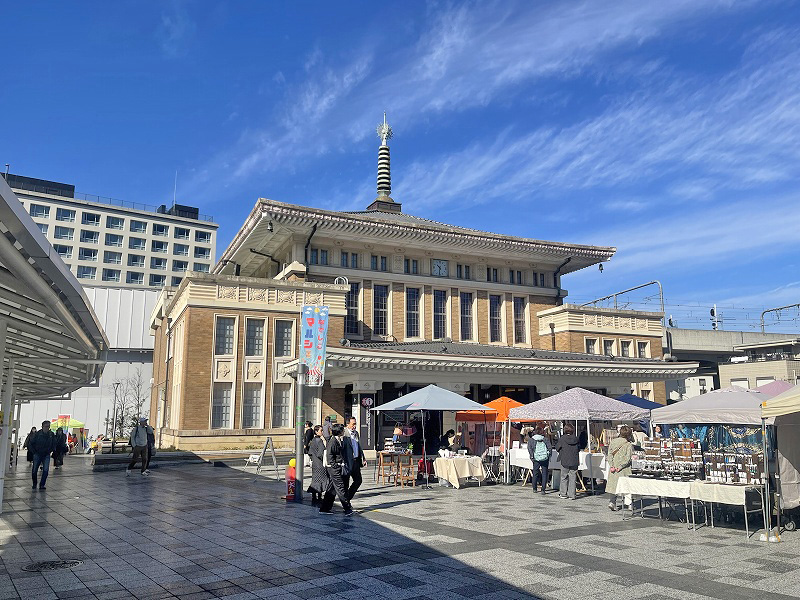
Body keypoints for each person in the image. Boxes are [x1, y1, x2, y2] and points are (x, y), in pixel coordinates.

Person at [319, 423, 353, 515]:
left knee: (332, 489)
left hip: (337, 467)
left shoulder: (338, 440)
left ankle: (324, 508)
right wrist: (335, 466)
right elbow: (329, 456)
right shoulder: (333, 441)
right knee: (340, 488)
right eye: (342, 430)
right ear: (339, 431)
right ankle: (347, 508)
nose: (343, 431)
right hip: (334, 469)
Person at [607, 426, 634, 511]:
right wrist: (620, 467)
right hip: (624, 469)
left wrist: (612, 465)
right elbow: (628, 458)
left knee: (613, 486)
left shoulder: (613, 441)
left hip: (614, 467)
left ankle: (612, 502)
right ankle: (629, 504)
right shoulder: (628, 444)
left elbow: (609, 455)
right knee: (627, 486)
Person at [343, 416, 367, 501]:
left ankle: (348, 497)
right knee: (345, 483)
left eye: (355, 424)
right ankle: (345, 502)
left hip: (356, 461)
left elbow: (358, 446)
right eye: (353, 424)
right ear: (347, 424)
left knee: (358, 480)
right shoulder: (344, 433)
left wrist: (363, 458)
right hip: (347, 461)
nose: (354, 426)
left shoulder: (356, 433)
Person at [555, 423, 580, 500]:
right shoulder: (576, 439)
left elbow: (557, 448)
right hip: (574, 460)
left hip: (565, 459)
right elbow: (579, 448)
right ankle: (572, 495)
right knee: (573, 477)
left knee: (564, 477)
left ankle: (563, 493)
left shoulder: (562, 438)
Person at [29, 420, 55, 490]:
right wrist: (34, 452)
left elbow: (54, 443)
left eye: (48, 426)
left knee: (46, 470)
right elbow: (30, 443)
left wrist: (51, 450)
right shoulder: (37, 434)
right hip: (37, 454)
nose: (47, 428)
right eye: (46, 426)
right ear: (42, 426)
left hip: (46, 454)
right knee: (34, 470)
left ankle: (42, 484)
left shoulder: (51, 434)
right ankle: (34, 483)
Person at [527, 426, 552, 495]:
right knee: (544, 473)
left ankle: (534, 488)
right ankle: (543, 489)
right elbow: (550, 448)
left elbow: (529, 448)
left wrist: (532, 456)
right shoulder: (545, 439)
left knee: (535, 473)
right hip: (544, 458)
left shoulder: (531, 440)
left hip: (536, 458)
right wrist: (548, 455)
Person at [307, 425, 328, 505]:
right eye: (321, 430)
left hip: (315, 464)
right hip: (320, 463)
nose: (322, 432)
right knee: (321, 479)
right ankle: (319, 497)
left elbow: (310, 452)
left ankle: (314, 497)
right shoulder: (319, 441)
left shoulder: (313, 440)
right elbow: (321, 453)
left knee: (315, 480)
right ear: (316, 432)